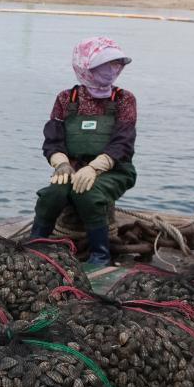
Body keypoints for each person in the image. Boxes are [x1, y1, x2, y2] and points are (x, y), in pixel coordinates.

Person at [30, 37, 136, 266]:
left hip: (114, 170)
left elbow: (123, 142)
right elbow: (53, 140)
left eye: (116, 63)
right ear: (85, 67)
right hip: (72, 166)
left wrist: (95, 167)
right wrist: (61, 163)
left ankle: (100, 254)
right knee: (53, 193)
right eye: (104, 64)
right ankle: (35, 245)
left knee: (87, 193)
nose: (112, 69)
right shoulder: (66, 99)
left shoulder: (124, 99)